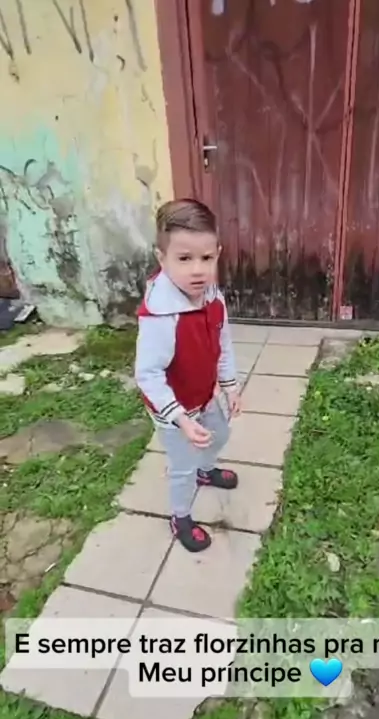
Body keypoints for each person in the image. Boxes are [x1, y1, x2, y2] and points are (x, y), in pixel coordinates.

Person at [135, 198, 242, 553]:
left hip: (204, 394)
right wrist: (181, 419)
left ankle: (205, 470)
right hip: (174, 410)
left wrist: (229, 385)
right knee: (181, 468)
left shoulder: (212, 298)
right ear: (161, 258)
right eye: (184, 259)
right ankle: (180, 517)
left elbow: (222, 342)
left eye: (206, 258)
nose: (198, 270)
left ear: (218, 253)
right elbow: (148, 375)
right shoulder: (161, 317)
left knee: (220, 434)